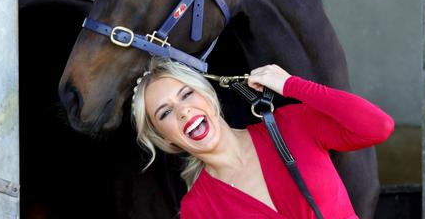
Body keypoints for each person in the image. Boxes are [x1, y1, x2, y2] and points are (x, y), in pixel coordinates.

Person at [132, 59, 394, 218]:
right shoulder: (198, 209)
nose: (183, 111)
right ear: (163, 138)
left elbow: (377, 126)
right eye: (165, 112)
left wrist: (292, 85)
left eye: (187, 94)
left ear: (208, 95)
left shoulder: (291, 125)